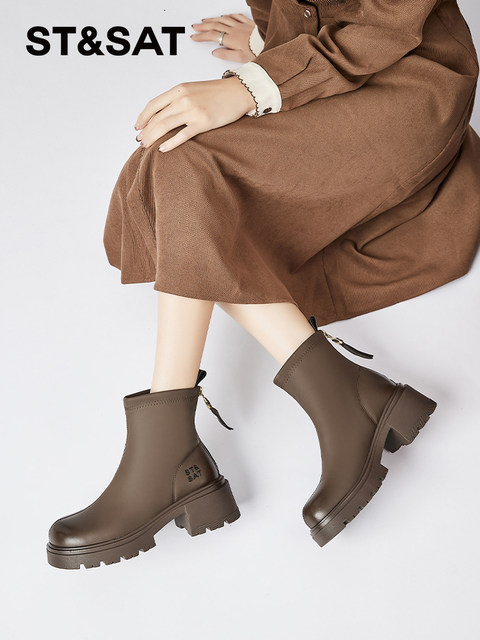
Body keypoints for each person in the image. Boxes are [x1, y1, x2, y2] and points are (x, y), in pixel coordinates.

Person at [46, 1, 480, 569]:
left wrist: (251, 86)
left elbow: (387, 20)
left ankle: (170, 455)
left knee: (190, 170)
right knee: (170, 163)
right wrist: (275, 40)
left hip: (408, 90)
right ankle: (343, 399)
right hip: (342, 81)